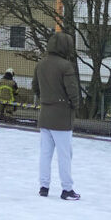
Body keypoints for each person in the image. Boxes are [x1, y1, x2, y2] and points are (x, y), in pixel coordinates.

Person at [32, 31, 81, 200]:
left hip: (45, 115)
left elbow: (35, 87)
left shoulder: (41, 64)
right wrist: (75, 105)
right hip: (62, 116)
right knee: (65, 154)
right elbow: (72, 91)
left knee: (45, 153)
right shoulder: (66, 66)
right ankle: (67, 189)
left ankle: (44, 187)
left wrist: (44, 99)